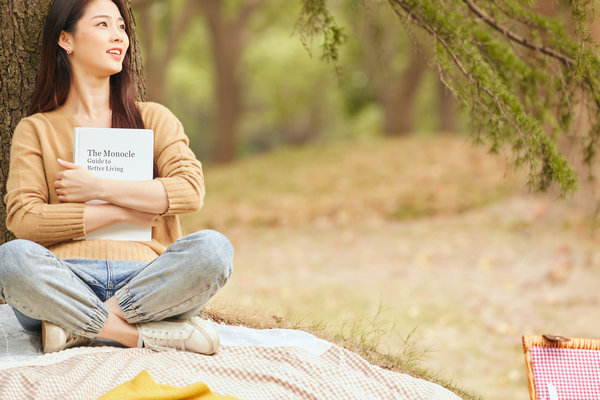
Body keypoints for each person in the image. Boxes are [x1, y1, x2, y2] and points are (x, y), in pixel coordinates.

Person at [0, 0, 233, 355]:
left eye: (121, 27)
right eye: (103, 25)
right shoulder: (37, 129)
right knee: (11, 259)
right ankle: (137, 334)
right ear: (67, 39)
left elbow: (190, 191)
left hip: (149, 280)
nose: (118, 36)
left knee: (215, 250)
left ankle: (81, 326)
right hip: (66, 280)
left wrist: (98, 188)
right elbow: (24, 218)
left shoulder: (154, 118)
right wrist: (122, 212)